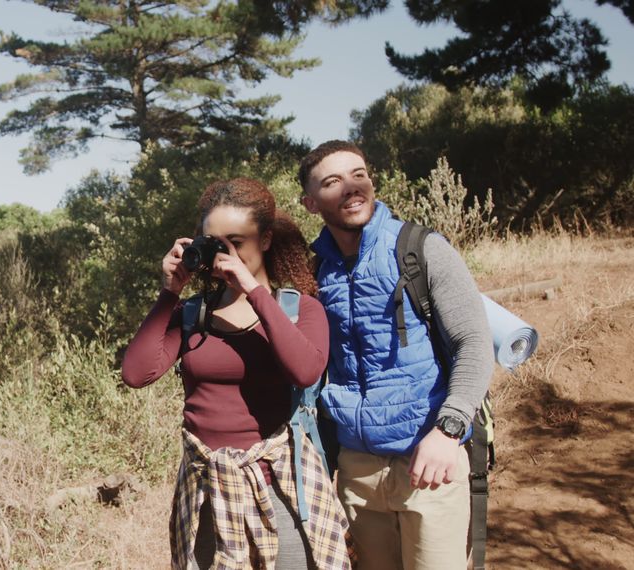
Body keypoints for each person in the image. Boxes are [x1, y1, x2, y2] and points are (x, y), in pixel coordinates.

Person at [121, 178, 352, 569]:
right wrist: (170, 293)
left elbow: (305, 372)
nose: (223, 254)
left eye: (235, 242)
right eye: (212, 243)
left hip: (279, 488)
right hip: (207, 492)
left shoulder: (299, 310)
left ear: (264, 240)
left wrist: (253, 290)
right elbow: (136, 373)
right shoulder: (195, 314)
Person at [298, 140, 493, 570]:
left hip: (429, 463)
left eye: (359, 175)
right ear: (311, 203)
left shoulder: (421, 249)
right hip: (357, 472)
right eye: (333, 182)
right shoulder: (315, 272)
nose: (352, 188)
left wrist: (449, 430)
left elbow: (474, 343)